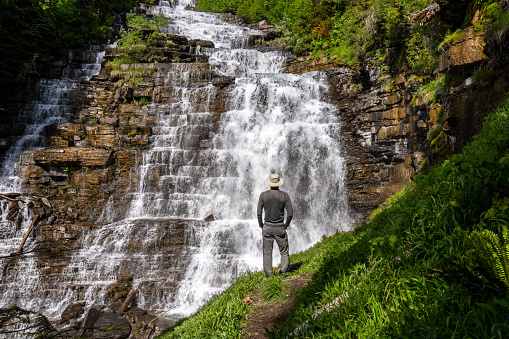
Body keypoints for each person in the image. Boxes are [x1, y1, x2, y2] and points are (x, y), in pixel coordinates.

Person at [257, 173, 293, 277]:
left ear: (270, 183)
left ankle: (269, 275)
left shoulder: (263, 195)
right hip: (279, 227)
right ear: (279, 183)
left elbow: (259, 213)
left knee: (267, 253)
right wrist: (286, 225)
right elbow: (290, 213)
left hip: (267, 226)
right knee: (284, 251)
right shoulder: (284, 195)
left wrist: (261, 225)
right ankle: (284, 272)